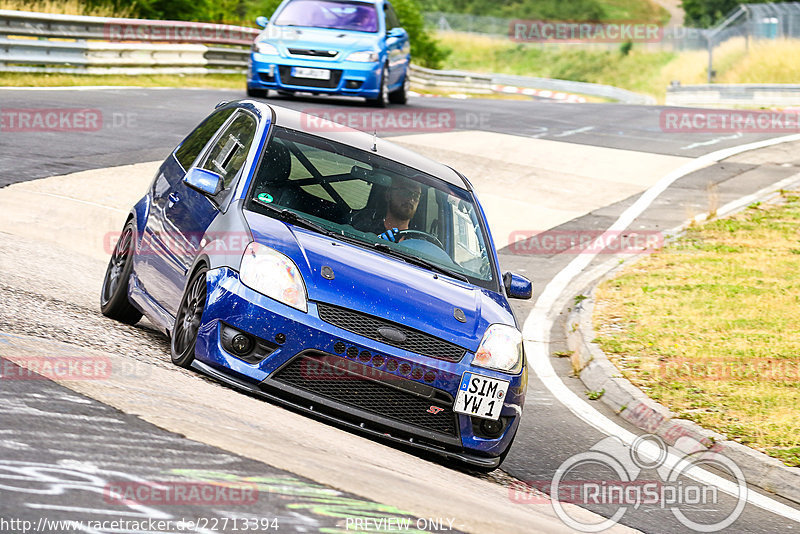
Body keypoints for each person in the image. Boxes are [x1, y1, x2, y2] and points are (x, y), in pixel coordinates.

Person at [351, 176, 422, 241]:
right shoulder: (364, 227)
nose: (411, 199)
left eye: (416, 195)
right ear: (388, 195)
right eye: (405, 193)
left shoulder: (418, 244)